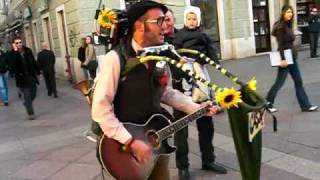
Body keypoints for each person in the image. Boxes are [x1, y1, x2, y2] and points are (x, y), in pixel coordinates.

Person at [91, 1, 220, 179]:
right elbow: (100, 109)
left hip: (156, 137)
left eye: (167, 20)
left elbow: (165, 92)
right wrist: (131, 142)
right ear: (139, 25)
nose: (166, 26)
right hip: (124, 149)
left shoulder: (159, 55)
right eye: (159, 21)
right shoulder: (115, 58)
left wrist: (197, 108)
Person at [164, 7, 227, 179]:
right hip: (179, 91)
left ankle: (209, 159)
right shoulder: (160, 41)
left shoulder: (182, 35)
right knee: (181, 131)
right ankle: (182, 167)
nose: (167, 23)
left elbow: (209, 52)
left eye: (169, 19)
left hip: (200, 86)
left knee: (207, 126)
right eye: (164, 20)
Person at [266, 5, 318, 113]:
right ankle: (268, 103)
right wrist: (283, 59)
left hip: (292, 58)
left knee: (298, 81)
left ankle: (306, 106)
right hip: (286, 58)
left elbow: (288, 40)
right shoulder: (281, 27)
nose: (290, 14)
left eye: (291, 12)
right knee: (279, 83)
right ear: (283, 13)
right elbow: (280, 45)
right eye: (288, 12)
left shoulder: (287, 25)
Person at [9, 37, 40, 120]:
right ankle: (31, 113)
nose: (19, 44)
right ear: (13, 44)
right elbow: (12, 66)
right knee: (27, 95)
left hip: (31, 76)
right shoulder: (12, 54)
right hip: (21, 78)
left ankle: (27, 103)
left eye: (20, 42)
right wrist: (15, 52)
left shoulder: (28, 51)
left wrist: (38, 72)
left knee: (33, 93)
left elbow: (33, 62)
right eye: (16, 43)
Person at [0, 42, 9, 106]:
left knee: (5, 86)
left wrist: (7, 67)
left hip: (5, 71)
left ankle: (5, 98)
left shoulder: (3, 53)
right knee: (2, 86)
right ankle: (5, 100)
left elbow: (7, 61)